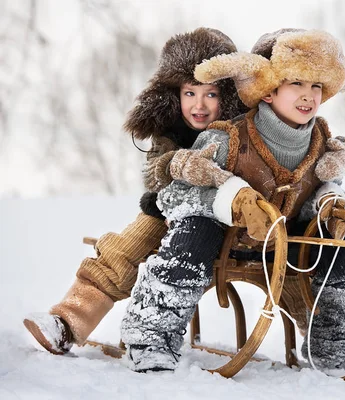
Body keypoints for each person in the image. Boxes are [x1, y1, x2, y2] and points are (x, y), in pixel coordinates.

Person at [121, 28, 345, 373]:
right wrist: (231, 201)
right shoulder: (228, 138)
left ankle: (338, 350)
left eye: (316, 86)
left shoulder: (321, 143)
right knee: (195, 229)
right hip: (223, 240)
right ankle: (151, 336)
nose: (307, 96)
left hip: (281, 246)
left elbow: (321, 187)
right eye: (296, 83)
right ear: (268, 91)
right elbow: (176, 195)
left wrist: (330, 203)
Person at [23, 27, 247, 355]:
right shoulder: (170, 131)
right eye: (189, 93)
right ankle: (68, 322)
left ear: (225, 97)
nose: (198, 104)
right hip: (171, 214)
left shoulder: (240, 132)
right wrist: (175, 165)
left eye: (210, 94)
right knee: (123, 248)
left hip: (223, 220)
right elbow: (155, 174)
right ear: (175, 94)